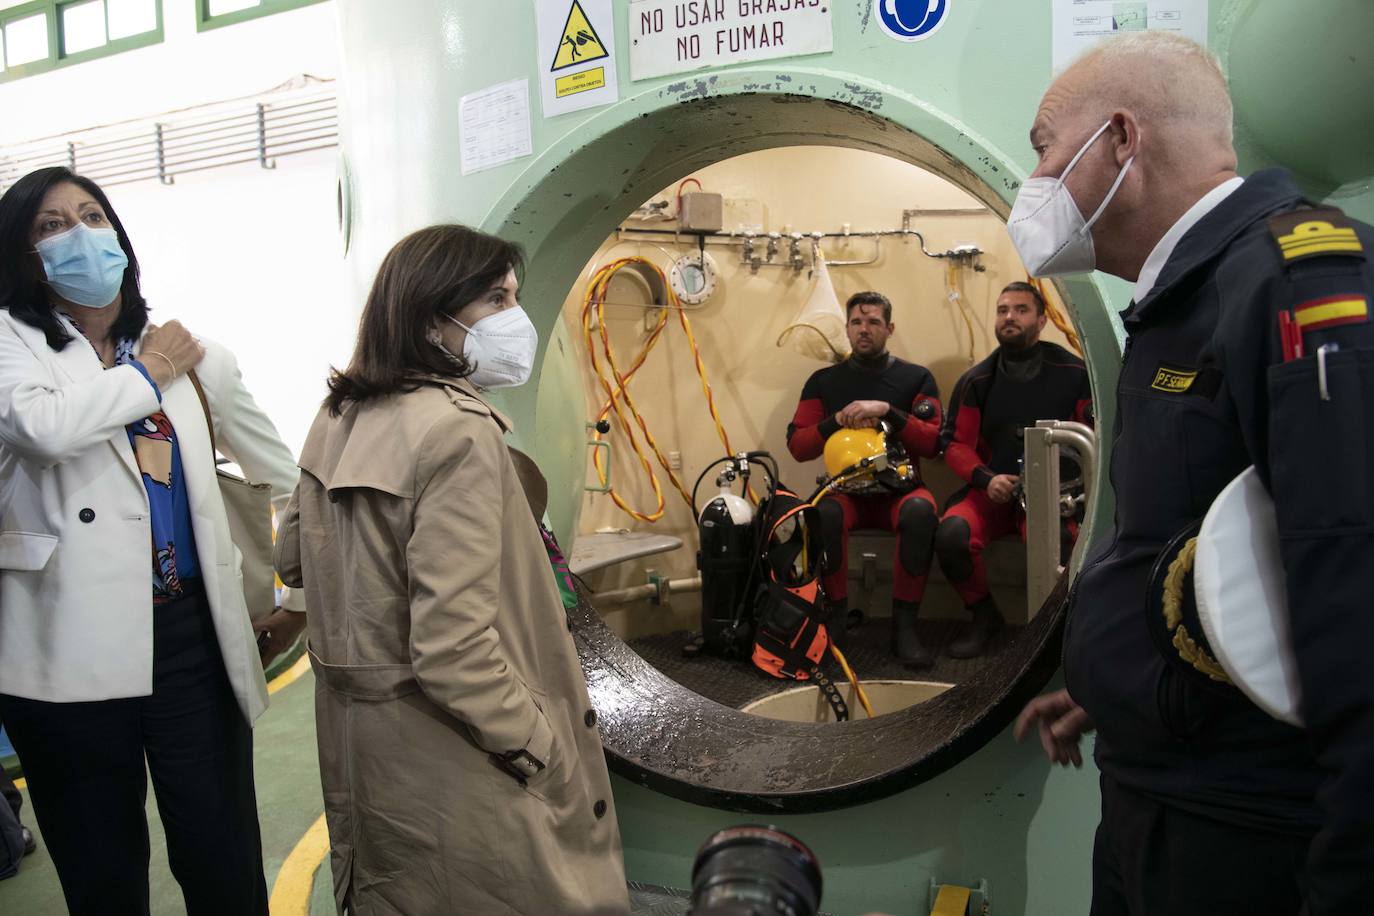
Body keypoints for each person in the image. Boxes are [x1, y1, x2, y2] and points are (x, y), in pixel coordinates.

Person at [1010, 32, 1374, 915]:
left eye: (1045, 147)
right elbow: (1215, 549)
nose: (1035, 181)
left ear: (1121, 141)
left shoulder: (1293, 283)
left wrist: (1351, 879)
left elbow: (1355, 588)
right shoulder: (1179, 305)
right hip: (1158, 794)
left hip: (1250, 830)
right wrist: (1119, 682)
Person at [273, 224, 630, 915]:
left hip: (367, 747)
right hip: (457, 752)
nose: (515, 319)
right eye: (495, 299)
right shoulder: (458, 431)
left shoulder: (338, 414)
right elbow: (453, 650)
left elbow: (294, 558)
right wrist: (533, 743)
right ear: (432, 318)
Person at [0, 167, 299, 914]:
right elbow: (44, 430)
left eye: (93, 216)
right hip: (63, 649)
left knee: (222, 854)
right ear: (21, 252)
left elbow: (290, 478)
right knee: (102, 870)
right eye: (51, 225)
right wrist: (148, 372)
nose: (79, 236)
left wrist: (297, 593)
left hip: (193, 636)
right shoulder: (12, 346)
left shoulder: (201, 361)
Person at [934, 281, 1091, 658]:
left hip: (1053, 492)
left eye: (1021, 310)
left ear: (1041, 321)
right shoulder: (977, 380)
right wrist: (987, 480)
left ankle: (1052, 634)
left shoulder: (1074, 372)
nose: (1009, 317)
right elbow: (955, 446)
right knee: (952, 533)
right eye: (1003, 309)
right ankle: (986, 618)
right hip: (995, 490)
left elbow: (1092, 437)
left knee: (1060, 545)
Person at [786, 291, 943, 667]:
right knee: (822, 514)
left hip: (900, 493)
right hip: (846, 495)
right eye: (857, 322)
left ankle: (904, 627)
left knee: (921, 512)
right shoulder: (824, 381)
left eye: (873, 321)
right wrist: (835, 420)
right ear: (847, 328)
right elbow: (798, 445)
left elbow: (934, 442)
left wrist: (890, 411)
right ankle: (834, 621)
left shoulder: (916, 378)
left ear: (889, 328)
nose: (864, 329)